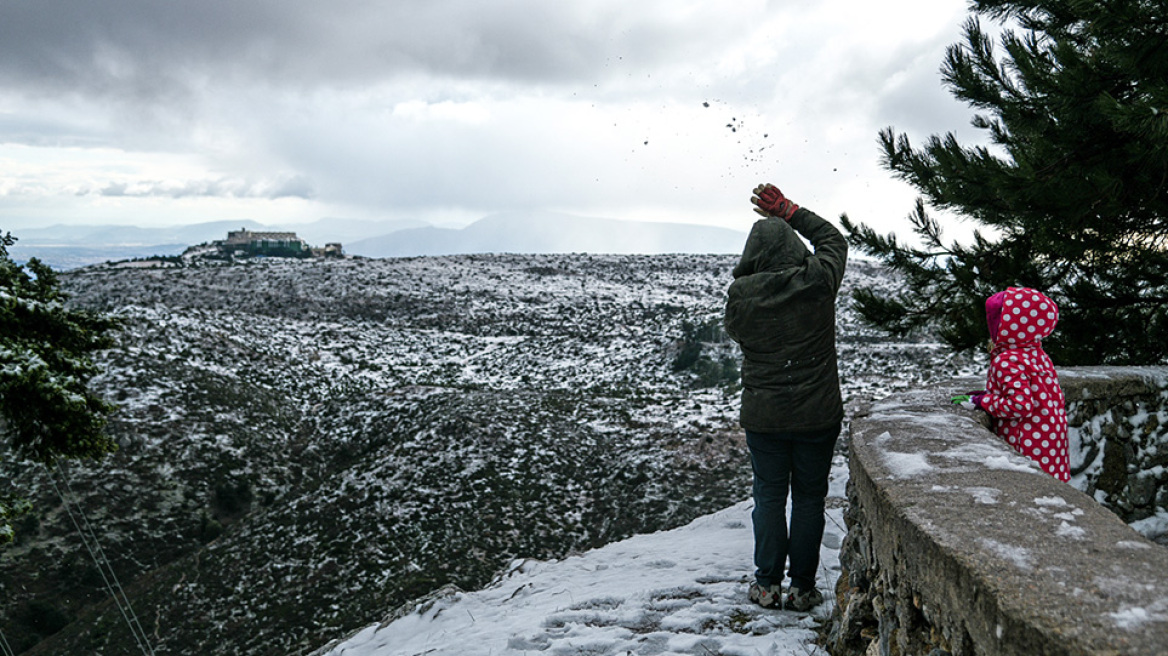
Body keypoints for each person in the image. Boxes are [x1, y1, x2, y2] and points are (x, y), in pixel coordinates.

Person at [724, 183, 848, 611]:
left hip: (765, 417)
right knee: (810, 498)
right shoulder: (817, 281)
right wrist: (791, 212)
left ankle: (766, 585)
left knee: (769, 498)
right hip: (817, 415)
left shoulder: (741, 297)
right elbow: (833, 241)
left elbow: (736, 333)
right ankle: (802, 588)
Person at [959, 288, 1070, 482]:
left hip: (1025, 447)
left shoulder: (1008, 360)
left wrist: (982, 401)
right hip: (1049, 447)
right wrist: (989, 394)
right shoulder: (1037, 355)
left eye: (994, 320)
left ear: (1007, 325)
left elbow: (1020, 405)